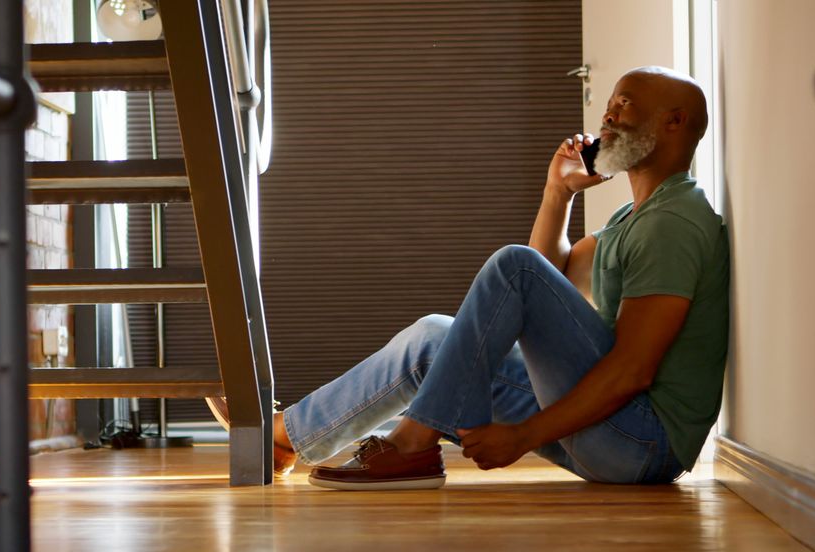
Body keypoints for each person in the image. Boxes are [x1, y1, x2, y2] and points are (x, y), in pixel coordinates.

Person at [212, 66, 729, 490]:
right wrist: (558, 193)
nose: (609, 114)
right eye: (610, 102)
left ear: (674, 122)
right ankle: (282, 439)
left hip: (641, 445)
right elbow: (552, 279)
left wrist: (522, 436)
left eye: (627, 103)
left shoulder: (672, 225)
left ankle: (413, 445)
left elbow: (632, 370)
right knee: (436, 336)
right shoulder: (634, 217)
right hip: (613, 434)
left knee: (512, 265)